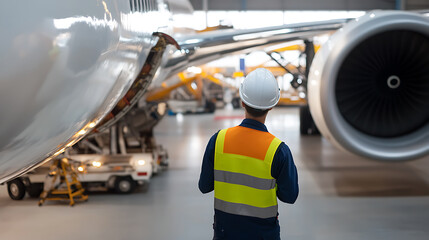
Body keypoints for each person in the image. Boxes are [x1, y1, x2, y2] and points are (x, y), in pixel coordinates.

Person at [199, 68, 299, 240]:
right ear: (272, 105)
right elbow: (289, 196)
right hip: (263, 235)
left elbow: (204, 186)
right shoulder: (279, 150)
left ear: (243, 102)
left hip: (225, 234)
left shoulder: (218, 140)